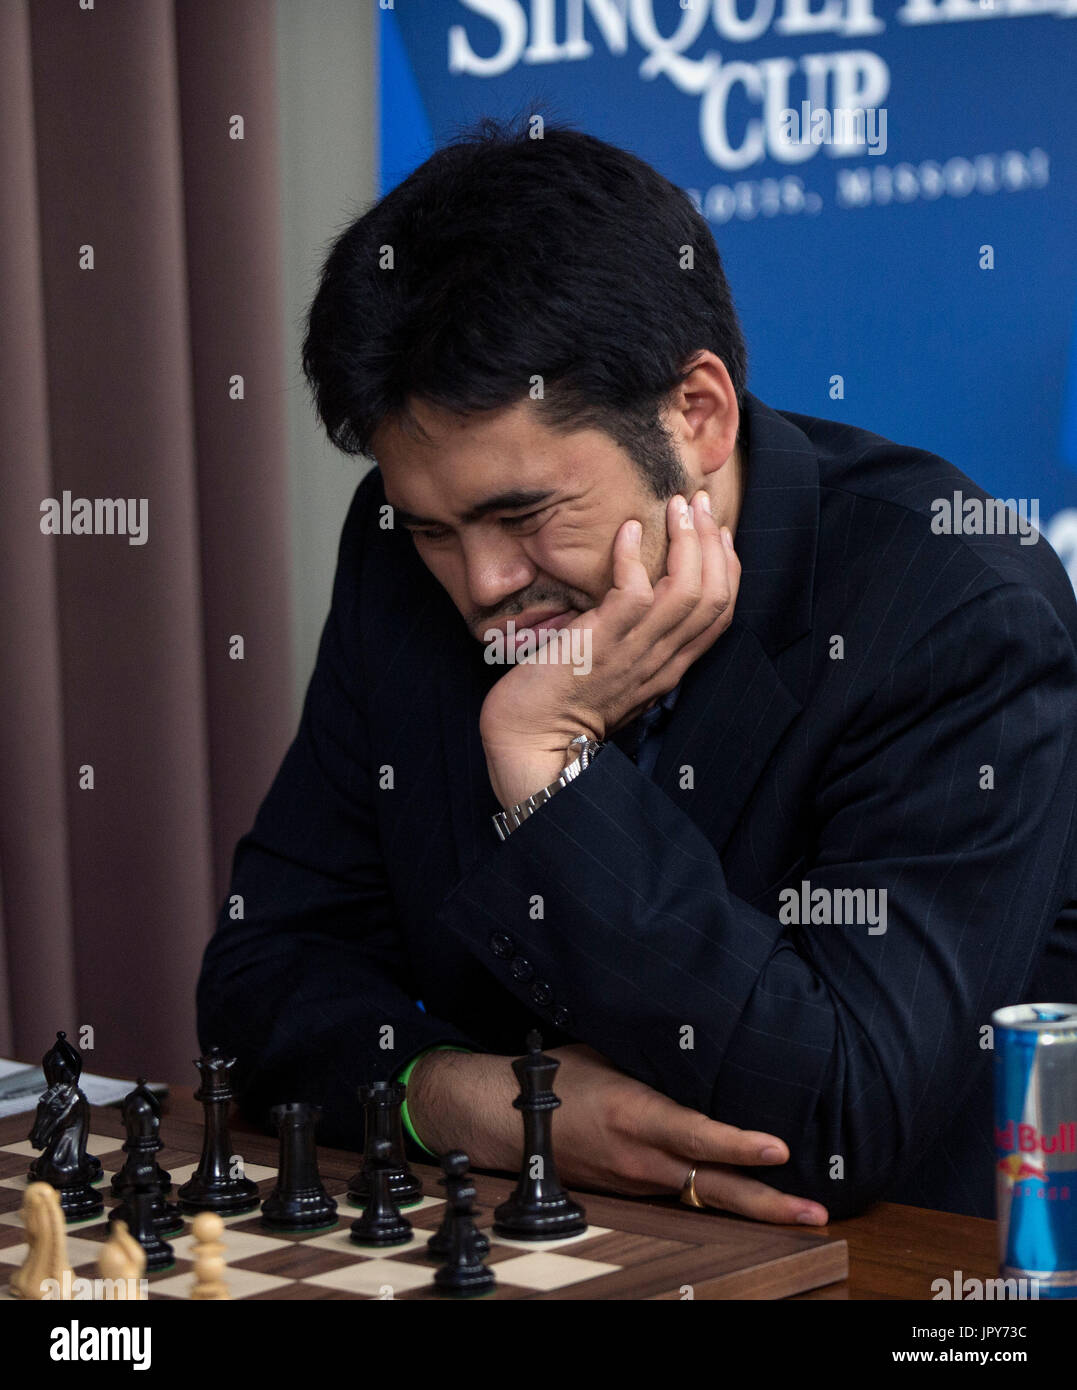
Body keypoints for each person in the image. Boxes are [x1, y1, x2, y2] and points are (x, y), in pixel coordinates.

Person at [196, 115, 1077, 1224]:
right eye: (434, 528)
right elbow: (258, 978)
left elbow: (836, 1125)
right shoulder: (398, 554)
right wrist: (471, 1101)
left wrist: (549, 766)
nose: (480, 584)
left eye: (525, 513)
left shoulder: (955, 614)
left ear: (696, 414)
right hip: (537, 1242)